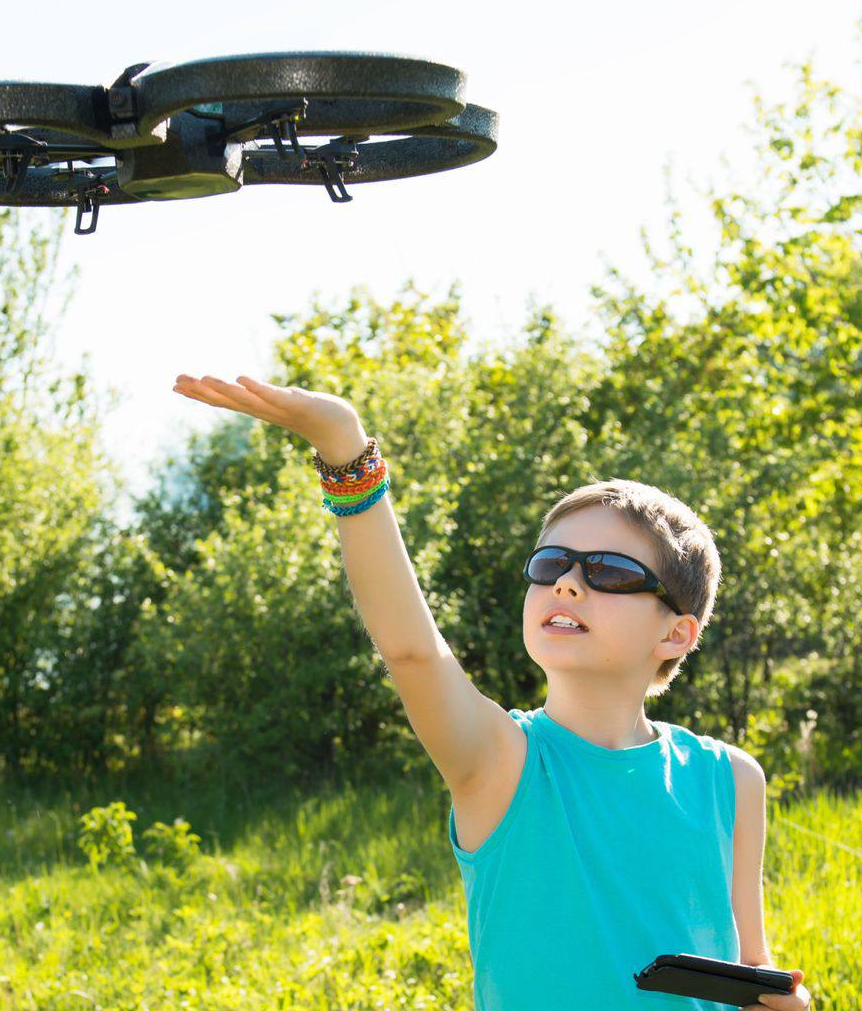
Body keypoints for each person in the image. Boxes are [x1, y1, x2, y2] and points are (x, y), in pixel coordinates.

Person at [170, 372, 813, 1011]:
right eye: (551, 564)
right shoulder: (503, 762)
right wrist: (346, 452)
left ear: (675, 633)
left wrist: (782, 999)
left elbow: (751, 964)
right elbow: (413, 653)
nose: (566, 583)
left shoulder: (731, 778)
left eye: (610, 572)